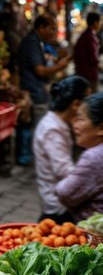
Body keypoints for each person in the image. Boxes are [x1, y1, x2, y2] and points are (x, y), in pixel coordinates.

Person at [33, 76, 91, 224]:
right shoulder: (52, 129)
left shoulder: (58, 123)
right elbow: (63, 170)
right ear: (76, 104)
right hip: (58, 207)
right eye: (87, 102)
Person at [16, 15, 70, 165]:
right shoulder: (32, 43)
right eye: (51, 28)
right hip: (33, 88)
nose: (54, 32)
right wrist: (61, 66)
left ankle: (30, 156)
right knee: (34, 125)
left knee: (33, 124)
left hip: (37, 88)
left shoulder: (39, 43)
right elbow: (40, 70)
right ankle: (28, 156)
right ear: (41, 28)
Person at [55, 92, 103, 221]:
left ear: (100, 128)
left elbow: (65, 193)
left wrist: (69, 177)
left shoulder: (94, 157)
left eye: (81, 119)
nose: (75, 125)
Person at [73, 12, 101, 92]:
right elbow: (93, 59)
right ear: (95, 23)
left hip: (82, 73)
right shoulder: (90, 37)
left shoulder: (85, 35)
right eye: (99, 22)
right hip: (89, 75)